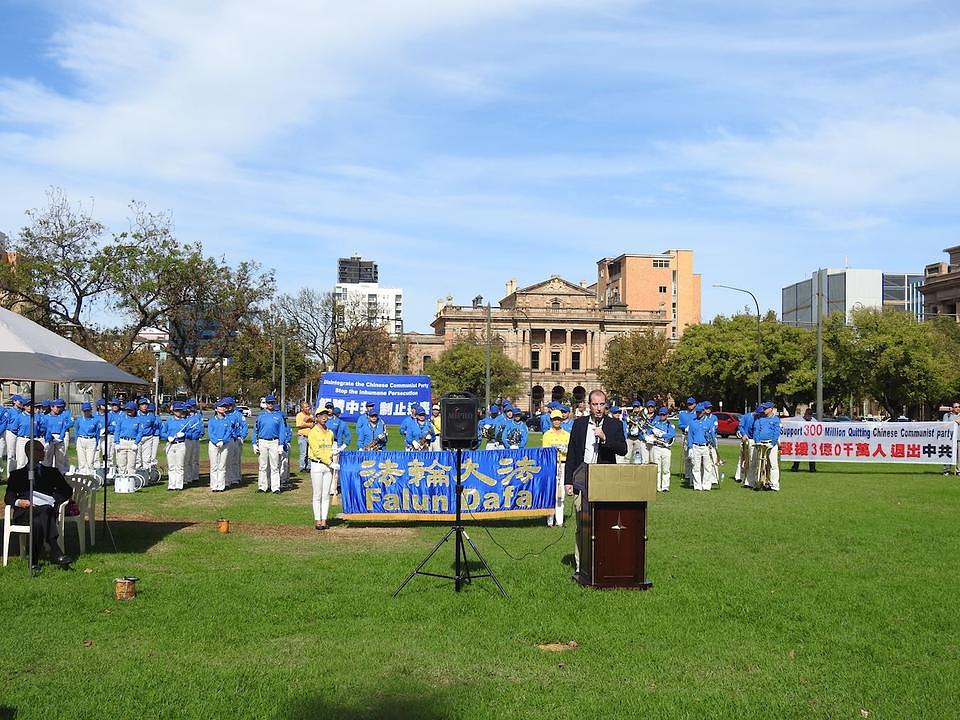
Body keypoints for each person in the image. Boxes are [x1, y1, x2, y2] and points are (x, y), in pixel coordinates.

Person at [564, 389, 627, 577]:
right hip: (582, 480)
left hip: (605, 481)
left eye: (601, 405)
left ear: (605, 405)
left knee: (603, 523)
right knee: (582, 525)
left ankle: (602, 562)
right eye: (595, 404)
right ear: (589, 405)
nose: (598, 408)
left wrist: (605, 438)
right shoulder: (579, 425)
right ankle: (580, 566)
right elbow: (572, 453)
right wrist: (568, 481)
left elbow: (623, 449)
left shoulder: (615, 425)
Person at [5, 440, 74, 569]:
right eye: (39, 450)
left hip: (47, 509)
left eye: (43, 450)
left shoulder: (52, 472)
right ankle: (55, 550)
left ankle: (33, 562)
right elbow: (8, 497)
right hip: (25, 511)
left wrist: (55, 500)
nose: (43, 452)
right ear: (29, 452)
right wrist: (20, 502)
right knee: (41, 515)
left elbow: (67, 491)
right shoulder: (17, 475)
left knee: (39, 519)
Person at [307, 407, 338, 530]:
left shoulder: (330, 432)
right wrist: (329, 462)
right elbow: (317, 451)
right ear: (317, 417)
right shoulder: (313, 432)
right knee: (317, 494)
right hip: (317, 464)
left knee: (326, 495)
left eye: (326, 415)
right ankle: (317, 520)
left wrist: (334, 452)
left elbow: (329, 448)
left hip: (328, 465)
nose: (324, 417)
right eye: (321, 415)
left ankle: (324, 520)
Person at [540, 409, 570, 527]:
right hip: (551, 465)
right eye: (554, 419)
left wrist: (565, 449)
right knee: (551, 492)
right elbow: (545, 451)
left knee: (561, 493)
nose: (557, 421)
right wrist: (554, 449)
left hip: (563, 464)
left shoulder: (567, 434)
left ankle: (560, 521)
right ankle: (549, 520)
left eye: (558, 419)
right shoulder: (547, 434)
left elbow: (570, 450)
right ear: (551, 420)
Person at [252, 394, 286, 493]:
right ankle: (262, 486)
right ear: (266, 404)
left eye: (272, 402)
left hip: (274, 441)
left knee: (275, 465)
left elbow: (282, 431)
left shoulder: (278, 416)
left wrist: (281, 444)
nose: (270, 404)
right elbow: (255, 430)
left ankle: (275, 487)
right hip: (263, 441)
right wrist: (254, 443)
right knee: (263, 465)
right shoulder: (261, 416)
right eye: (269, 402)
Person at [687, 403, 717, 491]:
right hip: (696, 446)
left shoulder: (709, 422)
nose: (698, 414)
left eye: (700, 412)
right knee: (696, 467)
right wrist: (690, 447)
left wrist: (713, 444)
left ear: (704, 412)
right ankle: (697, 486)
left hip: (706, 446)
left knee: (707, 466)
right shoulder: (692, 422)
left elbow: (712, 434)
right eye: (697, 412)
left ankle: (706, 485)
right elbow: (690, 436)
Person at [752, 402, 782, 491]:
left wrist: (773, 443)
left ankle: (774, 485)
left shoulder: (776, 419)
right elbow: (756, 430)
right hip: (761, 443)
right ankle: (758, 482)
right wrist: (757, 441)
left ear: (771, 409)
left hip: (771, 444)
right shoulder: (760, 419)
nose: (764, 410)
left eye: (765, 409)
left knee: (773, 465)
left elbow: (777, 432)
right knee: (760, 464)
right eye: (763, 409)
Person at [162, 402, 190, 490]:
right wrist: (168, 437)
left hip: (180, 444)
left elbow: (190, 433)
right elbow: (162, 433)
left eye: (180, 411)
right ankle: (171, 485)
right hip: (170, 444)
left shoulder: (185, 422)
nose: (178, 412)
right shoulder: (168, 422)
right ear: (173, 411)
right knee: (171, 466)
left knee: (179, 466)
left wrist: (184, 434)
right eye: (176, 411)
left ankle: (179, 485)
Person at [207, 400, 233, 492]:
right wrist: (216, 441)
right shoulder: (212, 420)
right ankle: (214, 485)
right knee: (214, 466)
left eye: (224, 407)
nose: (222, 408)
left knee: (222, 466)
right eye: (220, 407)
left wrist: (223, 441)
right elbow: (210, 433)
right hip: (213, 445)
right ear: (216, 409)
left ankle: (221, 486)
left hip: (224, 444)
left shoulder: (228, 420)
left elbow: (228, 432)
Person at [113, 401, 143, 476]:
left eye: (131, 410)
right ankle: (121, 480)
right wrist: (116, 442)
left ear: (134, 410)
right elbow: (117, 431)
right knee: (121, 463)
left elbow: (140, 432)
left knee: (131, 464)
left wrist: (136, 443)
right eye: (128, 410)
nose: (129, 411)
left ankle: (131, 482)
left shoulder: (138, 420)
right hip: (122, 441)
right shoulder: (121, 419)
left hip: (132, 442)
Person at [650, 407, 676, 492]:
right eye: (660, 414)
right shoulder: (655, 423)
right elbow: (649, 432)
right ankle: (657, 487)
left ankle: (665, 486)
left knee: (666, 469)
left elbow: (671, 435)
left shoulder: (670, 425)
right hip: (656, 447)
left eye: (664, 414)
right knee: (657, 468)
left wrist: (661, 435)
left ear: (667, 415)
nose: (662, 416)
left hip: (666, 448)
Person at [43, 399, 72, 472]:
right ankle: (46, 474)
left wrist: (61, 438)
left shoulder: (61, 417)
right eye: (57, 407)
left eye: (60, 407)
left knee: (60, 458)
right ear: (52, 407)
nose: (59, 409)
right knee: (47, 458)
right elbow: (45, 429)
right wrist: (47, 439)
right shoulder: (46, 417)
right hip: (49, 438)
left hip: (59, 438)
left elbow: (64, 428)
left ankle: (60, 475)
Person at [73, 402, 102, 473]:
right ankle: (82, 473)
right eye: (85, 411)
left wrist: (97, 442)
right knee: (81, 460)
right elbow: (76, 431)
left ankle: (90, 473)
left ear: (91, 410)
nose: (86, 412)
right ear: (82, 411)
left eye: (88, 410)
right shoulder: (79, 420)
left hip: (91, 439)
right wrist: (76, 441)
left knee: (90, 460)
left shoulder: (95, 420)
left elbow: (97, 432)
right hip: (81, 439)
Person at [736, 405, 760, 485]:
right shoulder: (746, 416)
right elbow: (740, 426)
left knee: (751, 460)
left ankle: (749, 477)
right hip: (746, 439)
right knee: (743, 458)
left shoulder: (760, 418)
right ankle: (739, 476)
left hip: (755, 440)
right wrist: (743, 434)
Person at [677, 396, 697, 485]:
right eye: (688, 404)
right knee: (686, 456)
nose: (690, 406)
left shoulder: (698, 413)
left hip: (695, 436)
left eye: (691, 404)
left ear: (695, 404)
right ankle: (688, 474)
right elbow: (680, 425)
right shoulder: (683, 414)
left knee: (694, 455)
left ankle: (694, 474)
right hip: (685, 435)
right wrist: (685, 428)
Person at [790, 408, 818, 473]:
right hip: (801, 441)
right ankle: (795, 468)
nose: (808, 416)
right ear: (805, 414)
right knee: (798, 455)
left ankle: (812, 469)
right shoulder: (798, 419)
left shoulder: (814, 421)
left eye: (810, 415)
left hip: (810, 441)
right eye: (807, 414)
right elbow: (790, 422)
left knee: (811, 456)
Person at [295, 401, 315, 473]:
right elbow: (299, 425)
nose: (308, 408)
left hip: (310, 436)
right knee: (303, 453)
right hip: (302, 436)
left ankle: (309, 466)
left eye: (308, 407)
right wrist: (308, 425)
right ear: (302, 408)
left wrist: (312, 419)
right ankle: (302, 467)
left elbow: (314, 422)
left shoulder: (311, 415)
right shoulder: (299, 415)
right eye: (305, 407)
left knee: (310, 453)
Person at [942, 402, 960, 476]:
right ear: (952, 408)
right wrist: (955, 422)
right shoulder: (947, 415)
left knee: (959, 456)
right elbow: (944, 425)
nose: (957, 408)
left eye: (959, 407)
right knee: (948, 455)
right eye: (955, 407)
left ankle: (958, 470)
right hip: (949, 438)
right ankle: (946, 470)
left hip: (959, 438)